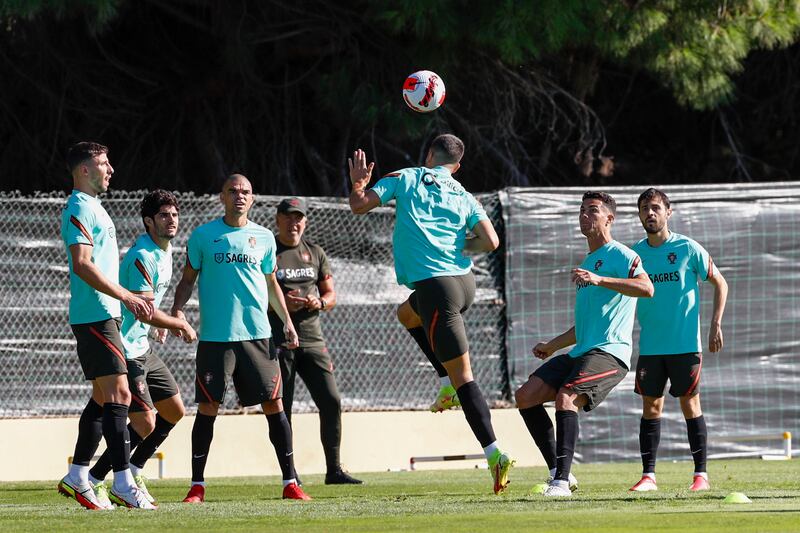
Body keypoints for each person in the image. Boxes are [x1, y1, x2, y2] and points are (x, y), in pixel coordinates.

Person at [348, 134, 514, 495]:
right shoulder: (463, 194)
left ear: (428, 155)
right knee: (406, 315)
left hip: (438, 289)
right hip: (463, 284)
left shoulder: (406, 177)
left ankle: (494, 453)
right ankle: (444, 386)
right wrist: (461, 246)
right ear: (457, 165)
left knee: (465, 378)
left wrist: (359, 183)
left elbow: (359, 205)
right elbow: (491, 242)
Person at [171, 174, 310, 502]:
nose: (239, 196)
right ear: (221, 196)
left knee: (273, 404)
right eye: (232, 191)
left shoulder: (263, 237)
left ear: (253, 198)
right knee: (208, 407)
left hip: (258, 337)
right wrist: (177, 311)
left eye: (245, 192)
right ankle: (197, 486)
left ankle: (291, 482)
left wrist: (287, 322)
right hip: (216, 338)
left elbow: (271, 282)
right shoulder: (204, 236)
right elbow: (187, 279)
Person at [514, 191, 654, 497]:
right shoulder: (589, 261)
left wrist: (599, 279)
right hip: (581, 351)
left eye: (592, 210)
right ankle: (559, 470)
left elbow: (647, 288)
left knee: (567, 397)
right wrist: (552, 345)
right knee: (525, 396)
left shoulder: (621, 254)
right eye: (582, 211)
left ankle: (560, 483)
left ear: (609, 218)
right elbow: (585, 326)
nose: (585, 216)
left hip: (609, 353)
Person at [58, 142, 156, 510]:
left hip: (104, 313)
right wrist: (126, 296)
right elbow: (82, 264)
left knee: (103, 398)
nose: (110, 168)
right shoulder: (79, 208)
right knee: (121, 396)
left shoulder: (94, 207)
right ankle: (122, 482)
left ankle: (79, 474)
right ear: (84, 170)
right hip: (96, 315)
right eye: (102, 163)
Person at [88, 190, 197, 506]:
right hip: (125, 348)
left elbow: (149, 306)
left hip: (143, 346)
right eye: (164, 215)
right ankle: (96, 479)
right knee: (144, 422)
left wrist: (155, 327)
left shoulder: (166, 249)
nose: (171, 220)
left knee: (174, 410)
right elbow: (142, 309)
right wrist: (176, 323)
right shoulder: (142, 255)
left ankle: (134, 469)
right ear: (149, 221)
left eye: (174, 214)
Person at [629, 188, 728, 492]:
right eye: (644, 208)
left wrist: (715, 324)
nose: (650, 213)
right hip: (651, 347)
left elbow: (720, 282)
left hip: (685, 345)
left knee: (690, 404)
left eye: (655, 207)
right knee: (651, 407)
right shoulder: (634, 254)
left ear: (668, 212)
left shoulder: (687, 248)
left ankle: (701, 476)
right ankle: (649, 476)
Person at [268, 197, 362, 484]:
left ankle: (333, 469)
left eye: (299, 218)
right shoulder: (269, 250)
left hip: (312, 339)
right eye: (288, 217)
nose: (294, 223)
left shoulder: (315, 252)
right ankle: (290, 474)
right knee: (283, 408)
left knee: (331, 400)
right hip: (279, 341)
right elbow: (256, 293)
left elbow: (331, 294)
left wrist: (318, 302)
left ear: (305, 222)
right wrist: (283, 306)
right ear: (278, 219)